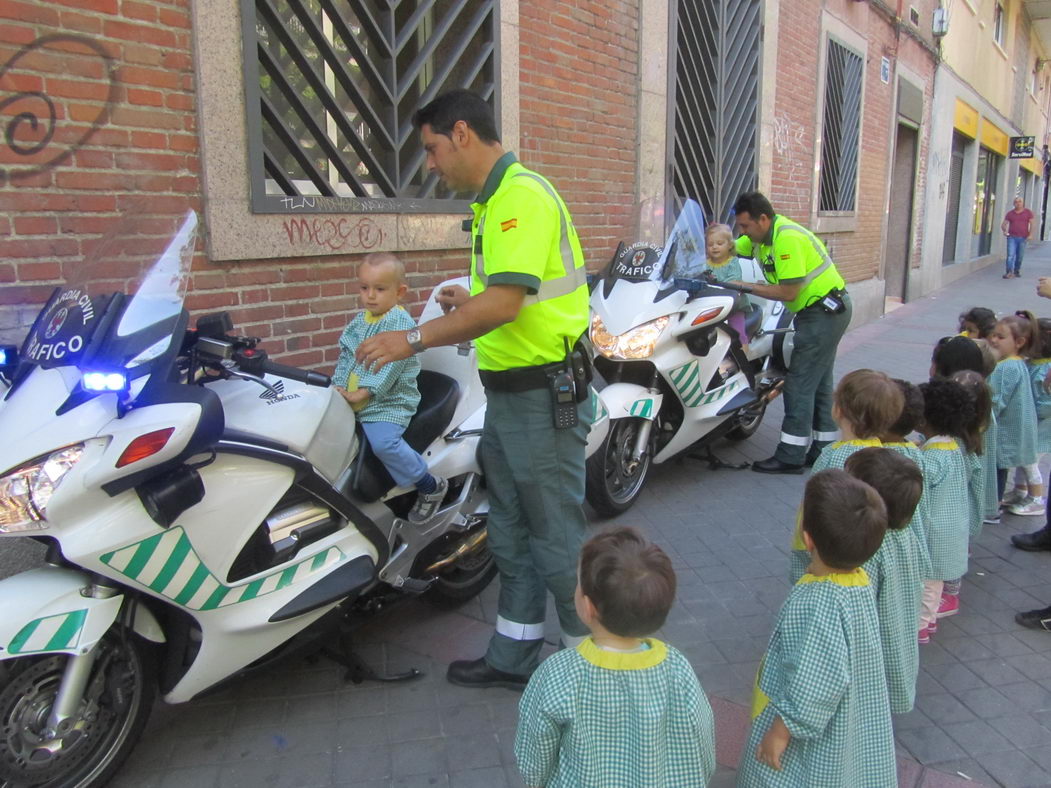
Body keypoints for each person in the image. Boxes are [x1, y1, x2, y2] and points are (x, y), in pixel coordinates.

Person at [355, 89, 592, 689]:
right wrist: (472, 302)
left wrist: (413, 337)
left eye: (433, 148)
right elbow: (510, 297)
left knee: (555, 537)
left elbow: (506, 303)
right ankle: (514, 656)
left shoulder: (519, 197)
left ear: (462, 133)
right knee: (508, 529)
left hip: (544, 400)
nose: (430, 164)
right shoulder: (495, 204)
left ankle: (594, 672)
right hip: (512, 399)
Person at [514, 527, 716, 787]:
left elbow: (535, 747)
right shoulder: (678, 669)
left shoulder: (559, 673)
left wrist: (535, 781)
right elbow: (702, 738)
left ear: (587, 608)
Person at [737, 469, 894, 788]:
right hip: (848, 719)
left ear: (807, 538)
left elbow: (817, 683)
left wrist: (780, 732)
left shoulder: (820, 602)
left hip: (807, 736)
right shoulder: (859, 579)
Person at [731, 191, 851, 474]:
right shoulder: (760, 237)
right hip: (823, 311)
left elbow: (788, 291)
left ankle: (790, 455)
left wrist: (741, 286)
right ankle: (823, 450)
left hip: (824, 314)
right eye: (740, 227)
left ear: (763, 218)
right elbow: (729, 248)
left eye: (746, 226)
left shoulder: (787, 239)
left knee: (798, 383)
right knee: (820, 382)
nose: (743, 232)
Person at [333, 253, 446, 523]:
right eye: (364, 288)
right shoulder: (360, 322)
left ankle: (429, 485)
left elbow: (391, 365)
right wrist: (337, 384)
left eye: (380, 289)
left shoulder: (400, 323)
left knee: (384, 444)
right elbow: (346, 354)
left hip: (388, 402)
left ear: (400, 292)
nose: (370, 296)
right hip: (356, 399)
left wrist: (364, 392)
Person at [787, 369, 903, 584]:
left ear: (838, 410)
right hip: (858, 545)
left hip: (822, 543)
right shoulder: (882, 454)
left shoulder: (834, 455)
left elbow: (818, 499)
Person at [844, 448, 926, 714]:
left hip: (873, 645)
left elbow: (855, 610)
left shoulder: (867, 549)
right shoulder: (906, 536)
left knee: (868, 700)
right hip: (900, 627)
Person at [917, 378, 976, 642]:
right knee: (936, 582)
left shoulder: (931, 458)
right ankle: (927, 621)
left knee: (928, 584)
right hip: (953, 529)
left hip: (934, 533)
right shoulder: (954, 448)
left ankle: (921, 626)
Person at [987, 312, 1040, 510]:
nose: (993, 340)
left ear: (1019, 342)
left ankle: (992, 508)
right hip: (1012, 432)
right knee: (1000, 469)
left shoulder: (1005, 367)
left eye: (1000, 337)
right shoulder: (1017, 362)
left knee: (996, 469)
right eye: (993, 335)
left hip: (1003, 432)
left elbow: (995, 402)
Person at [703, 223, 751, 347]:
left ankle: (743, 358)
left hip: (734, 304)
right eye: (710, 244)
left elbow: (734, 280)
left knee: (737, 331)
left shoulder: (733, 262)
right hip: (712, 304)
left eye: (719, 244)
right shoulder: (705, 264)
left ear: (729, 245)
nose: (714, 247)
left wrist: (716, 282)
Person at [1001, 196, 1035, 279]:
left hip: (1023, 237)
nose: (1018, 203)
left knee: (1019, 256)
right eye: (1016, 202)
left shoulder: (1028, 212)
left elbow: (1032, 224)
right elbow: (1003, 224)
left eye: (1020, 201)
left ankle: (1016, 271)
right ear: (1014, 204)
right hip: (1012, 237)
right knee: (1010, 255)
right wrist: (1005, 231)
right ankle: (1009, 272)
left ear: (1023, 203)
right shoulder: (1010, 213)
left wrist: (1031, 234)